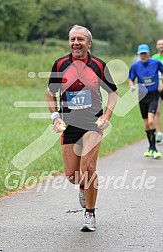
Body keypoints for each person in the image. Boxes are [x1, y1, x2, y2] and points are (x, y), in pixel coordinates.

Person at [46, 25, 117, 231]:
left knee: (89, 168)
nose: (76, 43)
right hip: (69, 125)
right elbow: (50, 92)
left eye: (81, 39)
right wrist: (55, 118)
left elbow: (113, 93)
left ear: (89, 43)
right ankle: (83, 188)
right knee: (71, 174)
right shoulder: (60, 64)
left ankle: (90, 213)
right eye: (73, 39)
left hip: (92, 124)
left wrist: (106, 116)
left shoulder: (98, 65)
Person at [129, 44, 163, 159]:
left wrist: (161, 83)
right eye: (141, 54)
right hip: (142, 96)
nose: (143, 56)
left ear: (148, 53)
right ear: (139, 55)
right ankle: (150, 147)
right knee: (146, 124)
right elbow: (131, 78)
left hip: (154, 95)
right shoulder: (135, 66)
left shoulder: (156, 63)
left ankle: (154, 148)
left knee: (150, 120)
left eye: (145, 53)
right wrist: (132, 86)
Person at [152, 39, 163, 142]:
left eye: (162, 44)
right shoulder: (154, 58)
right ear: (156, 46)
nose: (161, 46)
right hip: (157, 88)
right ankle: (159, 133)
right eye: (159, 44)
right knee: (157, 111)